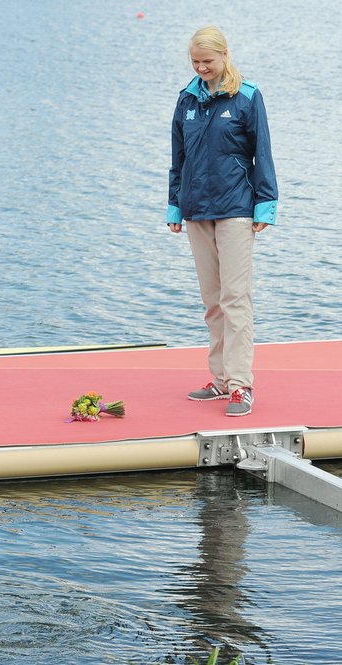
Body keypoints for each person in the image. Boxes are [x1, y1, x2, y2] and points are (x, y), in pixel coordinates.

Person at [167, 26, 278, 417]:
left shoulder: (247, 96)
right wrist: (174, 205)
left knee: (235, 300)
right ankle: (218, 380)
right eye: (195, 62)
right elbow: (178, 156)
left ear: (225, 55)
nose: (201, 68)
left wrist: (266, 203)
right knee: (212, 302)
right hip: (196, 209)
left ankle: (240, 385)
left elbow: (261, 152)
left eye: (207, 62)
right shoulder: (187, 99)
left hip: (235, 209)